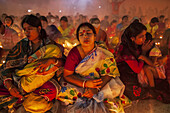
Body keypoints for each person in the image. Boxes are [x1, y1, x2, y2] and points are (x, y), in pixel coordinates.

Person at [57, 22, 131, 113]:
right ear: (78, 38)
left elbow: (109, 74)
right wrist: (85, 83)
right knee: (67, 90)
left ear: (95, 36)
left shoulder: (102, 52)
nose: (85, 37)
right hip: (79, 82)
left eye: (88, 33)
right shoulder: (74, 53)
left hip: (100, 82)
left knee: (110, 95)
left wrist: (96, 89)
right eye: (81, 34)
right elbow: (67, 75)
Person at [0, 14, 65, 112]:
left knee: (49, 93)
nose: (26, 32)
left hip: (43, 82)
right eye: (25, 29)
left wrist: (52, 61)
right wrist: (10, 87)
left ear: (39, 29)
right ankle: (23, 97)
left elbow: (63, 62)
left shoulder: (49, 44)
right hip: (21, 81)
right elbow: (7, 67)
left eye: (30, 29)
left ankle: (25, 99)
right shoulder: (21, 45)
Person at [116, 21, 170, 103]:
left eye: (145, 35)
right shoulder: (126, 49)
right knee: (136, 93)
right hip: (127, 78)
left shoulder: (136, 45)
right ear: (132, 38)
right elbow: (137, 69)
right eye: (141, 36)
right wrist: (144, 53)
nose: (144, 38)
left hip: (138, 74)